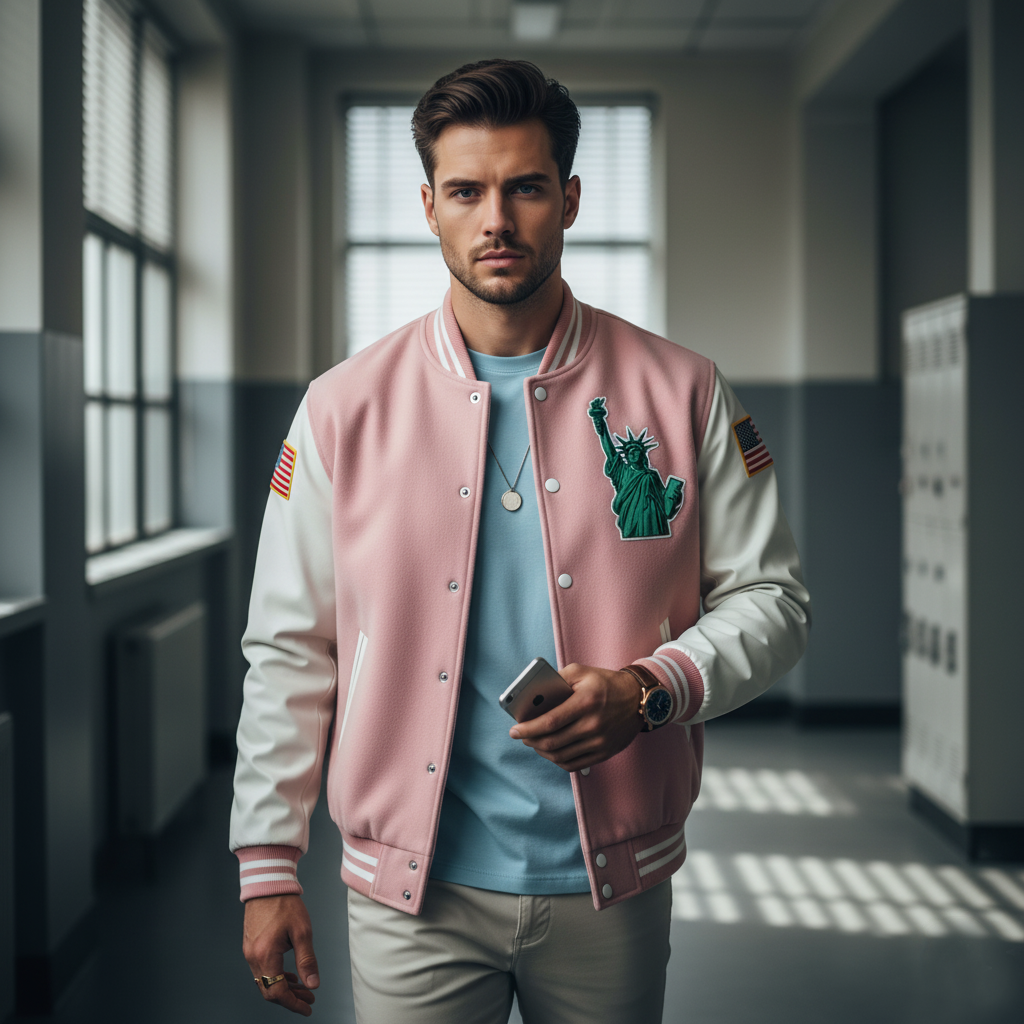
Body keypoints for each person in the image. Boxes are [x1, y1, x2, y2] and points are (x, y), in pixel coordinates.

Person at [231, 58, 810, 1024]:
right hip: (408, 896)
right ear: (428, 206)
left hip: (610, 882)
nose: (495, 219)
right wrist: (265, 864)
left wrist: (650, 688)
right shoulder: (341, 410)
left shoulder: (684, 391)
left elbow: (774, 602)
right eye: (466, 191)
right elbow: (292, 646)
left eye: (525, 187)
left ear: (570, 198)